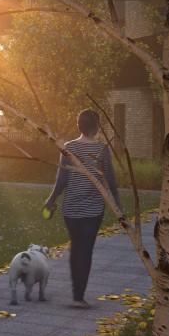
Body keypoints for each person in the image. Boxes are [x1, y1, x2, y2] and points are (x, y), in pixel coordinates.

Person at [44, 109, 122, 308]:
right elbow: (111, 180)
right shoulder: (102, 150)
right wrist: (118, 205)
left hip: (71, 209)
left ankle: (76, 294)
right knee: (85, 250)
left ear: (79, 126)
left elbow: (61, 179)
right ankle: (79, 296)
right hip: (93, 210)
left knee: (76, 248)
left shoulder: (68, 148)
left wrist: (51, 199)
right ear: (97, 126)